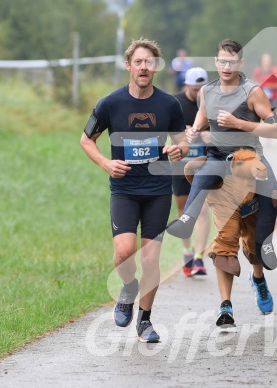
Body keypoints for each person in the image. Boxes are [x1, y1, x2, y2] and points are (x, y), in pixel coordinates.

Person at [166, 39, 277, 327]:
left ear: (240, 64)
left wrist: (239, 123)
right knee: (225, 238)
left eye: (232, 62)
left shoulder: (252, 92)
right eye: (222, 61)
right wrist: (193, 131)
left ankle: (261, 269)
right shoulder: (207, 91)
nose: (226, 66)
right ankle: (225, 305)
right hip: (219, 159)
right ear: (216, 62)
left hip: (249, 162)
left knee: (269, 204)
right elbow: (203, 116)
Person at [80, 38, 188, 343]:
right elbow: (86, 140)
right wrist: (106, 164)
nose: (144, 67)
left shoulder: (169, 104)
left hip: (157, 189)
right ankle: (128, 288)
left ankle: (145, 322)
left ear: (155, 67)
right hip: (125, 190)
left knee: (151, 259)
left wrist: (179, 150)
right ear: (129, 66)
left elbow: (182, 142)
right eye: (138, 62)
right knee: (125, 252)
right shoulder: (110, 103)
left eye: (149, 62)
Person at [172, 67, 212, 277]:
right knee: (184, 211)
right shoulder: (175, 103)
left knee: (203, 209)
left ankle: (199, 258)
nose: (198, 94)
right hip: (181, 163)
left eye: (202, 90)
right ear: (186, 86)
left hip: (204, 163)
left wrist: (210, 137)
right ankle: (187, 251)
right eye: (195, 89)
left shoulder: (212, 102)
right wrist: (181, 136)